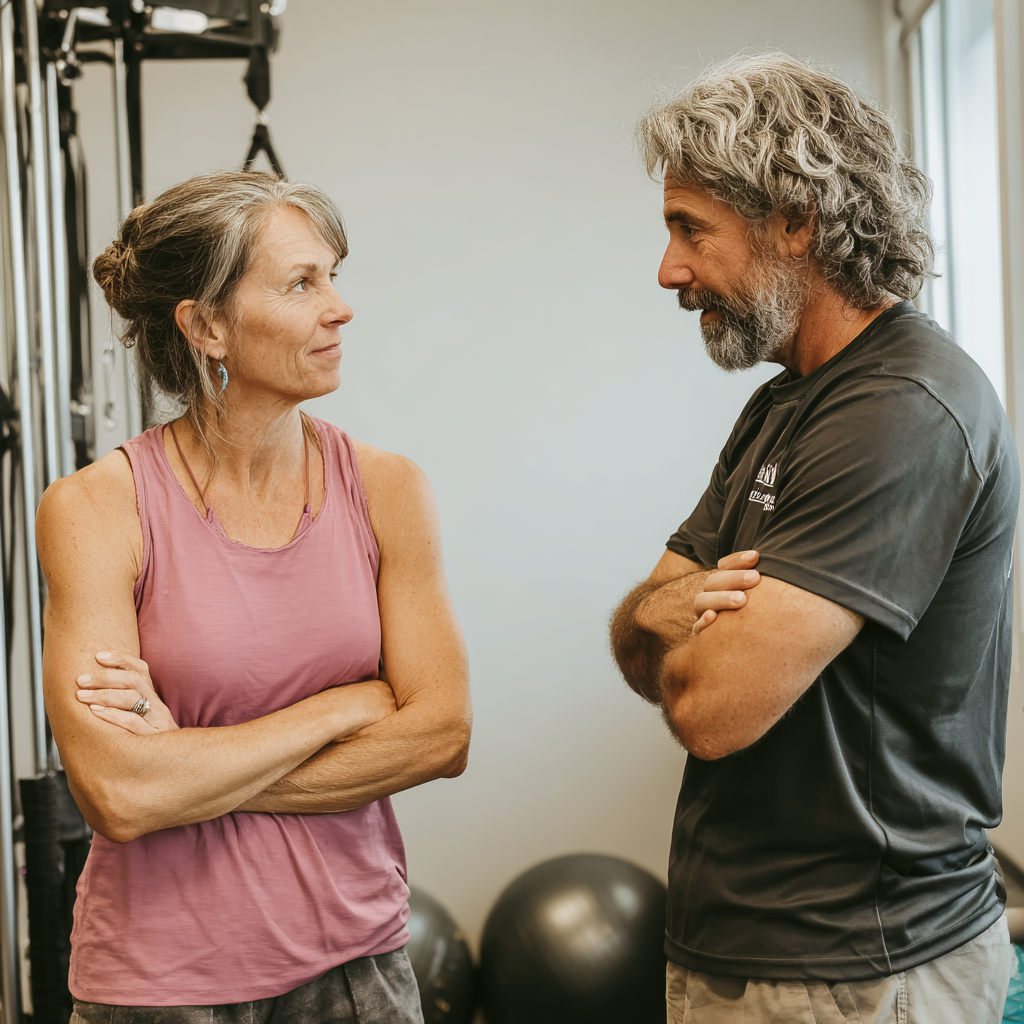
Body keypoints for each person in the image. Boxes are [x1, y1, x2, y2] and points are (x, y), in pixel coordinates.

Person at [609, 54, 1019, 1024]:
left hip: (861, 968)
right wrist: (662, 616)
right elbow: (639, 638)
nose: (669, 270)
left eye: (689, 230)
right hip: (741, 943)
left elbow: (713, 707)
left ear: (795, 220)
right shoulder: (782, 405)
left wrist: (677, 626)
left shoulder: (904, 407)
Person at [36, 171, 471, 1022]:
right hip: (159, 985)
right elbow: (120, 795)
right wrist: (344, 705)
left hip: (358, 969)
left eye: (334, 276)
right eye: (303, 283)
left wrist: (186, 764)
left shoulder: (388, 489)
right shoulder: (96, 507)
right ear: (207, 327)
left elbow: (442, 733)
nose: (339, 308)